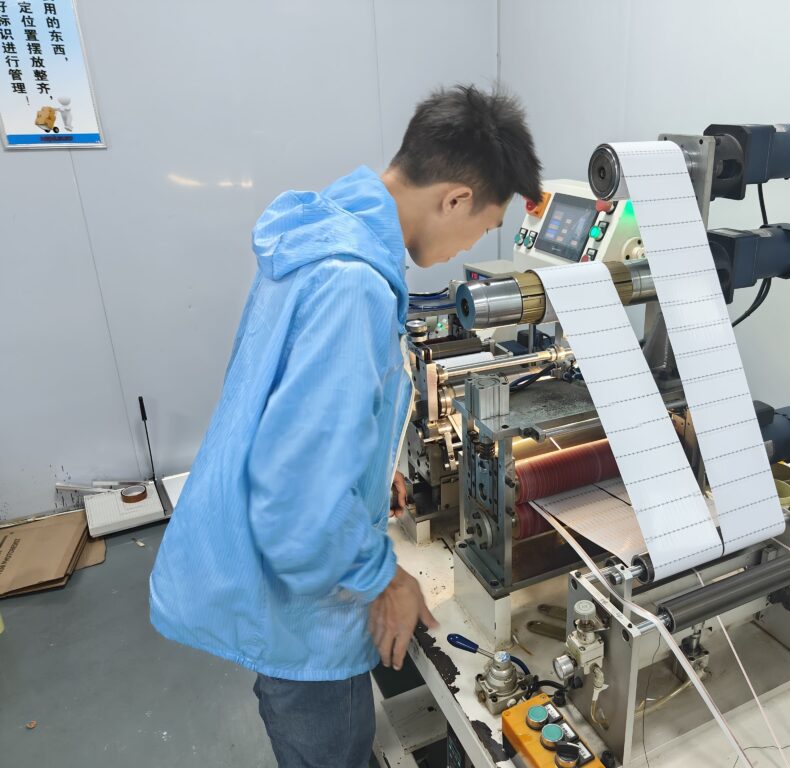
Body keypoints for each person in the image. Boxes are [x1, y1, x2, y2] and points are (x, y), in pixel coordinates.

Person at [149, 84, 542, 767]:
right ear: (453, 197)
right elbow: (299, 509)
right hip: (301, 613)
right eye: (481, 227)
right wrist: (384, 580)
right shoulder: (352, 286)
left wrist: (367, 467)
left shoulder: (324, 227)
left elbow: (297, 409)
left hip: (259, 567)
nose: (467, 247)